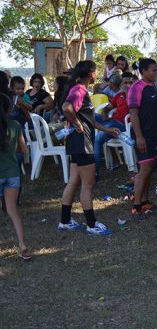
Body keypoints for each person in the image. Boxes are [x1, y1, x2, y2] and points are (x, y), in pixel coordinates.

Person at [58, 60, 120, 235]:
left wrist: (107, 129)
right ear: (91, 73)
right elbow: (67, 108)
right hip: (82, 143)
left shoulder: (80, 90)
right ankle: (92, 225)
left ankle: (65, 221)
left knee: (74, 181)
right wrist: (77, 124)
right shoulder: (79, 90)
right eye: (96, 71)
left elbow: (89, 120)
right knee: (88, 184)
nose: (97, 73)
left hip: (76, 142)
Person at [128, 59, 157, 220]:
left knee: (149, 168)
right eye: (153, 70)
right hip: (144, 134)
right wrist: (139, 136)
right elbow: (133, 113)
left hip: (155, 134)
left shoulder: (153, 86)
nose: (156, 72)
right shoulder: (137, 87)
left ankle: (144, 201)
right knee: (144, 169)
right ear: (143, 71)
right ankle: (136, 206)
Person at [0, 93, 31, 260]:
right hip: (12, 173)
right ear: (8, 109)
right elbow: (24, 150)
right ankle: (23, 244)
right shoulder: (15, 125)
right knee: (12, 210)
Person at [93, 72, 133, 172]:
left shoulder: (135, 95)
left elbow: (133, 108)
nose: (128, 85)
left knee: (97, 140)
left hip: (123, 125)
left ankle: (95, 172)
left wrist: (128, 92)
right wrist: (104, 114)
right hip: (112, 121)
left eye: (130, 83)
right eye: (125, 83)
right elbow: (107, 108)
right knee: (90, 116)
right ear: (121, 84)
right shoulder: (119, 95)